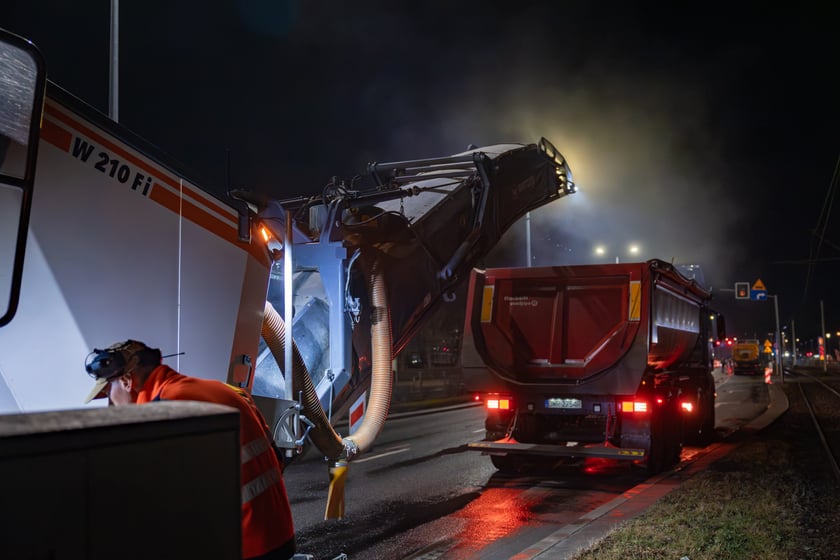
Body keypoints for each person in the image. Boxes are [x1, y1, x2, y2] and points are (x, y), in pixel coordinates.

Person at [84, 339, 296, 560]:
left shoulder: (164, 412)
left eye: (109, 392)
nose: (110, 403)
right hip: (279, 536)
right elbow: (277, 460)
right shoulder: (223, 389)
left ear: (127, 381)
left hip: (243, 547)